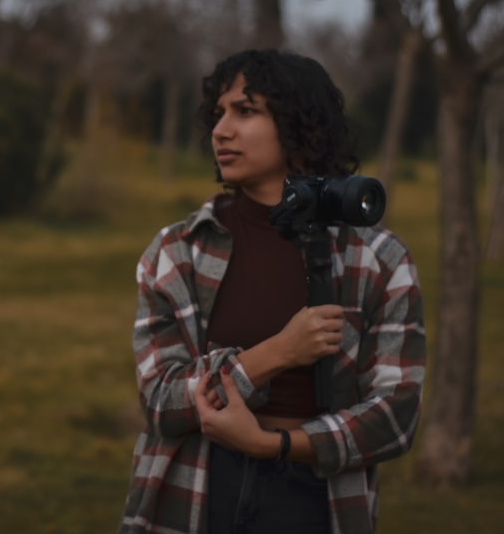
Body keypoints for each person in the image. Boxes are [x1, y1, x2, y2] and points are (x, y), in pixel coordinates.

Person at [118, 49, 426, 534]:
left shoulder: (377, 259)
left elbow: (396, 416)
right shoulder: (179, 251)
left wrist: (275, 446)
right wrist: (277, 353)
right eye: (218, 113)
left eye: (245, 111)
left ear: (299, 123)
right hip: (196, 490)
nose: (221, 130)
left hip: (316, 500)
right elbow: (159, 400)